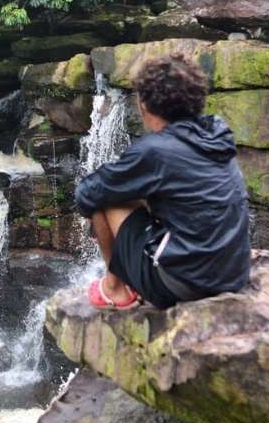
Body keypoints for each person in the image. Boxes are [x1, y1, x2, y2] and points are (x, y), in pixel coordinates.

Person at [75, 55, 251, 310]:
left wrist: (99, 227)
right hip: (234, 273)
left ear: (144, 103)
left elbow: (87, 194)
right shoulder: (217, 134)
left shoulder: (156, 151)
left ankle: (114, 289)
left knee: (106, 197)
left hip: (186, 283)